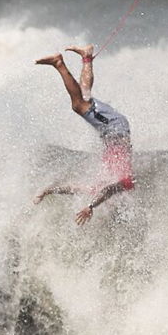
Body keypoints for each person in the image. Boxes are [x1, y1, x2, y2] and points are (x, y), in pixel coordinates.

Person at [33, 45, 134, 226]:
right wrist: (91, 206)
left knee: (84, 95)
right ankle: (58, 63)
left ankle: (86, 57)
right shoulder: (124, 183)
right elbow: (110, 190)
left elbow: (74, 188)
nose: (109, 207)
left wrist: (48, 191)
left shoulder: (98, 187)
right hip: (114, 128)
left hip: (113, 131)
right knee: (79, 105)